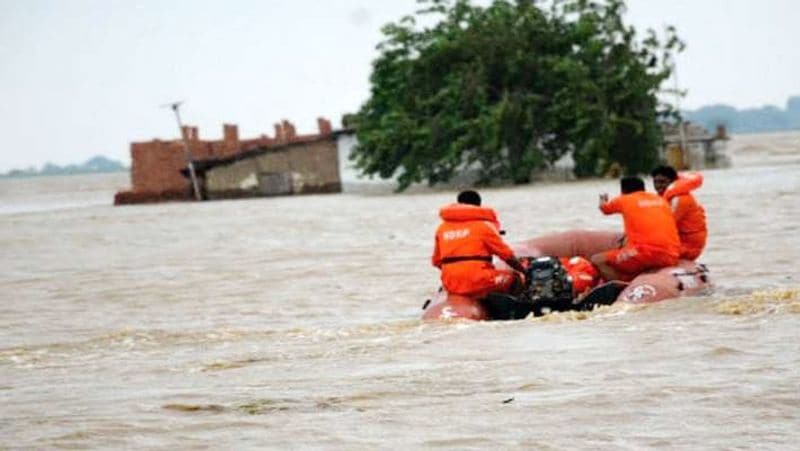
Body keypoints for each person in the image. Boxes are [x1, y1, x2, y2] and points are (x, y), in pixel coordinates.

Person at [431, 190, 526, 298]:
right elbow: (507, 256)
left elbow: (436, 261)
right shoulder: (484, 226)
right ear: (478, 205)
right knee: (516, 278)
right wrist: (524, 272)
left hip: (451, 283)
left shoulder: (442, 228)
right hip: (478, 280)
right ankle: (511, 311)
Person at [590, 176, 680, 282]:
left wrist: (602, 200)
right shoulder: (661, 200)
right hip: (671, 255)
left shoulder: (624, 199)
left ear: (623, 190)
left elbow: (605, 209)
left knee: (597, 260)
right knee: (626, 248)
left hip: (646, 253)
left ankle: (620, 288)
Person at [651, 165, 707, 260]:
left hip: (688, 248)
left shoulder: (680, 199)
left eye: (662, 182)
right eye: (655, 182)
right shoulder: (663, 198)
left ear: (673, 183)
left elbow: (665, 225)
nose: (658, 186)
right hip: (678, 243)